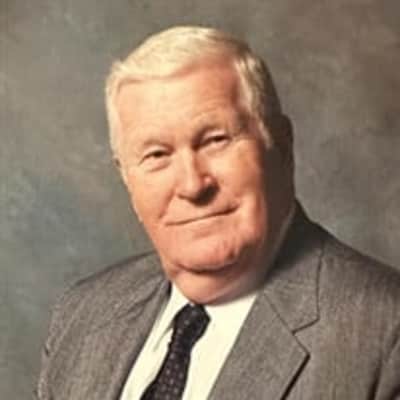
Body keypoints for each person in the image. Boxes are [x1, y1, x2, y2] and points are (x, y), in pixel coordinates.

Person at [36, 26, 400, 400]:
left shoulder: (385, 333)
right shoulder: (82, 315)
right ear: (126, 177)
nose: (193, 185)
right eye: (157, 155)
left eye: (215, 140)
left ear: (281, 146)